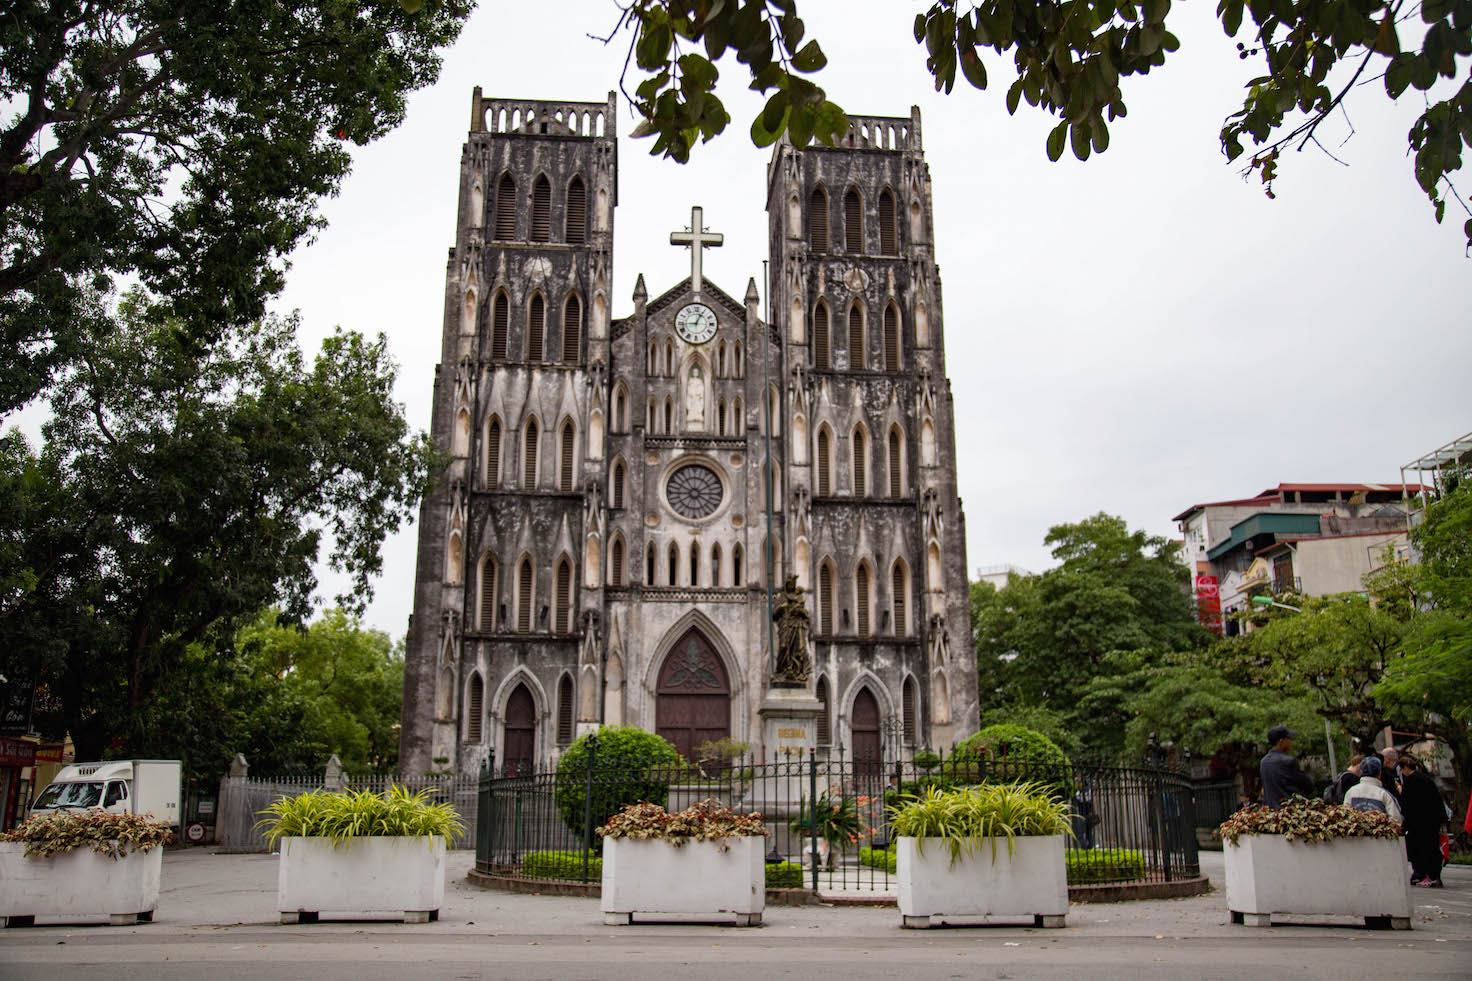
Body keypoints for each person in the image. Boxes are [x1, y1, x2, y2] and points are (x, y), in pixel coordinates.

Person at [1398, 756, 1445, 888]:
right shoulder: (1427, 779)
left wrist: (1404, 824)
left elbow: (1406, 805)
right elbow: (1437, 800)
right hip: (1432, 822)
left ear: (1405, 768)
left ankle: (1427, 876)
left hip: (1417, 824)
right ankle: (1435, 876)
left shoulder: (1409, 782)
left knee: (1420, 850)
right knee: (1432, 848)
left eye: (1402, 769)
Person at [1259, 725, 1315, 808]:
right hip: (1289, 811)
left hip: (1271, 813)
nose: (1291, 742)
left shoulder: (1263, 762)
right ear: (1281, 741)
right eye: (1289, 739)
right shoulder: (1288, 761)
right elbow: (1308, 786)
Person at [1342, 757, 1402, 823]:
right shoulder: (1384, 794)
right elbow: (1396, 820)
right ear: (1379, 773)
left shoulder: (1350, 792)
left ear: (1361, 771)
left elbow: (1345, 816)